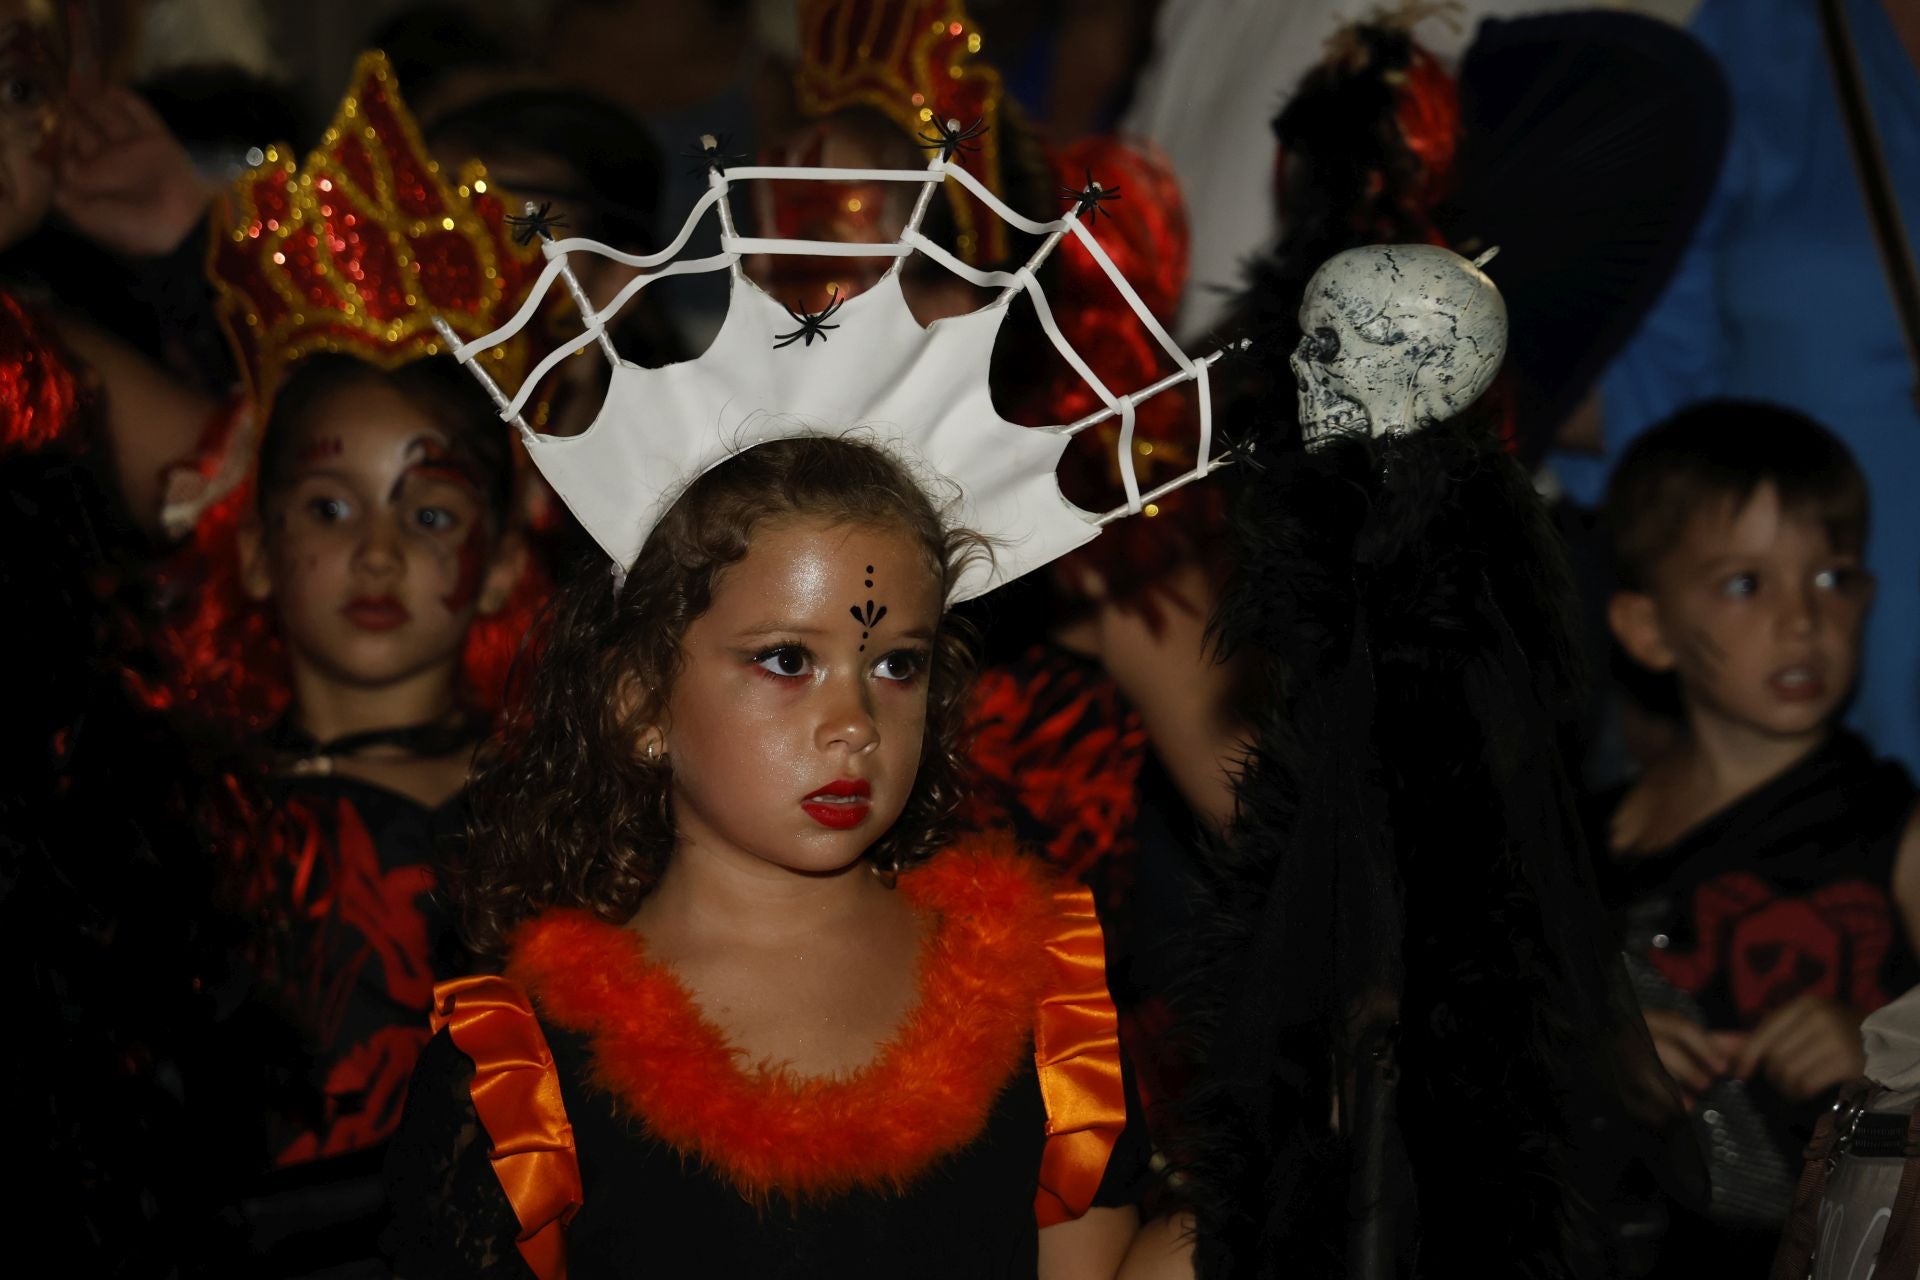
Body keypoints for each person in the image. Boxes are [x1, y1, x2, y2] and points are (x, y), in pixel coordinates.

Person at [381, 79, 1228, 1276]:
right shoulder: (524, 1071)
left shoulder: (1041, 995)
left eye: (895, 662)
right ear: (636, 703)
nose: (852, 719)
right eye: (786, 658)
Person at [1597, 399, 1920, 1272]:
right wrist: (1597, 1054)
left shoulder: (1896, 828)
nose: (1802, 619)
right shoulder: (1584, 843)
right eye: (1746, 583)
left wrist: (1880, 1044)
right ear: (1647, 627)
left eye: (1832, 578)